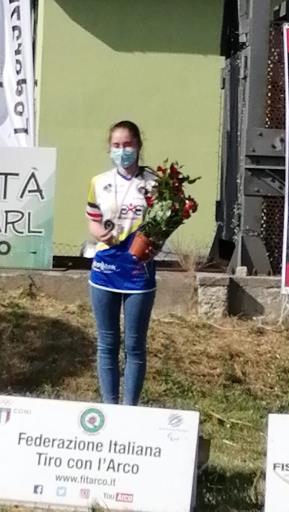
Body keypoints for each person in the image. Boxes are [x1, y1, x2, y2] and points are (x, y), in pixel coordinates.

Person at [85, 120, 157, 406]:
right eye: (116, 146)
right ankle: (110, 407)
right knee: (107, 344)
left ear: (138, 145)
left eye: (127, 145)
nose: (122, 151)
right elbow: (92, 220)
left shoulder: (153, 183)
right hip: (104, 269)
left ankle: (130, 409)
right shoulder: (98, 182)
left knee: (134, 345)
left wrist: (154, 243)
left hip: (139, 272)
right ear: (109, 148)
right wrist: (99, 232)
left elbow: (165, 222)